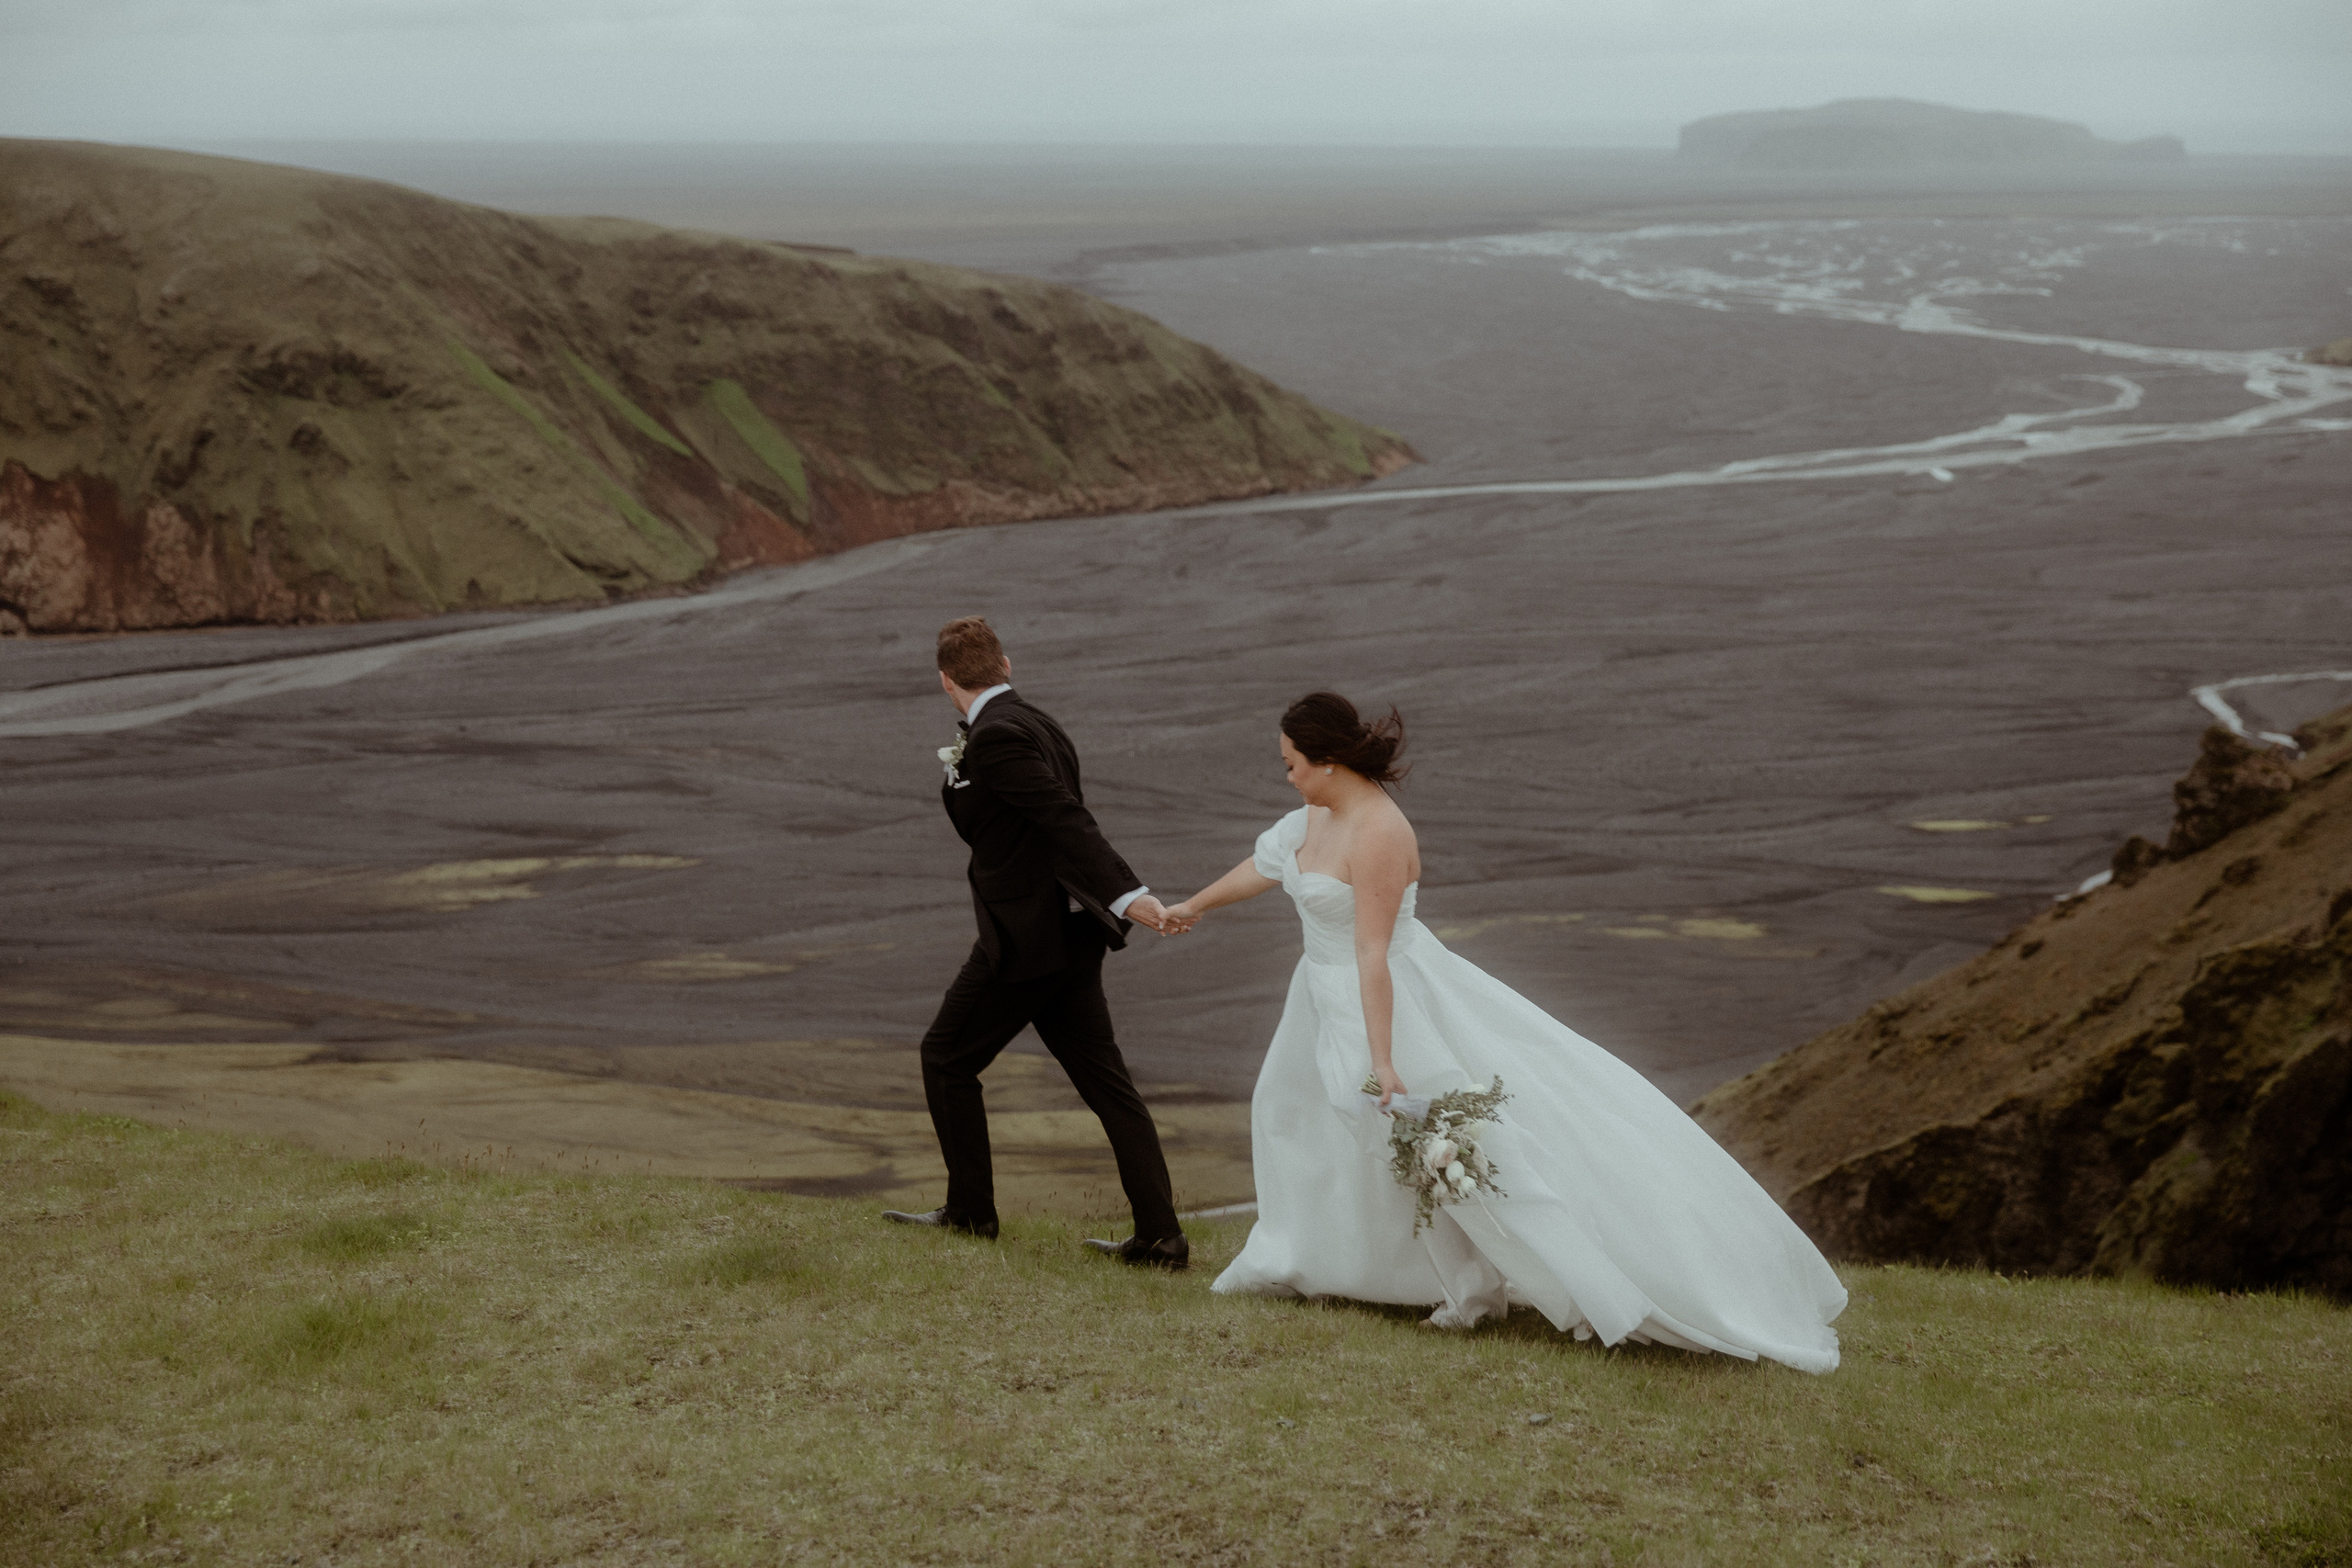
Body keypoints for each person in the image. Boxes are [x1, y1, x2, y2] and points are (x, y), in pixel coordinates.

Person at [1159, 692, 1845, 1370]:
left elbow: (1372, 952)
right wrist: (1196, 905)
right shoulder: (1316, 813)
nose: (1288, 776)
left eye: (1292, 764)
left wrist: (1384, 1057)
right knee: (1296, 1117)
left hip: (1386, 1000)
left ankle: (1482, 1289)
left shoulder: (1380, 833)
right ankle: (1297, 1255)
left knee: (1437, 1146)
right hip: (1320, 996)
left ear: (1330, 760)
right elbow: (1272, 863)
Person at [882, 616, 1189, 1269]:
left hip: (1024, 942)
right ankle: (1161, 1236)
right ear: (1006, 664)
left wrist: (1130, 893)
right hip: (1067, 938)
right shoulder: (1038, 722)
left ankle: (970, 1214)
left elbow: (1063, 816)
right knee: (1109, 1086)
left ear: (945, 680)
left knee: (944, 1056)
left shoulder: (994, 738)